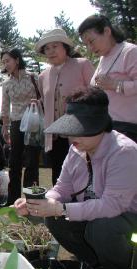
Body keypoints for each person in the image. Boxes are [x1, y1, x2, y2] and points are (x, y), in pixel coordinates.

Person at [14, 87, 137, 269]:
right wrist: (43, 203)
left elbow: (113, 206)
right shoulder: (77, 149)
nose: (72, 137)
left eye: (80, 130)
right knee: (55, 219)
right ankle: (95, 266)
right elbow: (63, 188)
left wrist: (61, 208)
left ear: (100, 126)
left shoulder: (124, 152)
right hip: (100, 219)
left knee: (101, 228)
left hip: (128, 222)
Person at [35, 29, 94, 186]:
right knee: (59, 174)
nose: (51, 51)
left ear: (65, 47)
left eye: (55, 46)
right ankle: (58, 208)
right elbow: (45, 100)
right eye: (47, 48)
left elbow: (97, 96)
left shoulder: (83, 65)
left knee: (84, 173)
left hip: (81, 132)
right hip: (54, 134)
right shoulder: (43, 76)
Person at [78, 14, 137, 142]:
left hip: (128, 128)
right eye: (86, 44)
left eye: (91, 41)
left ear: (107, 31)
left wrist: (115, 85)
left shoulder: (130, 52)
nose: (90, 48)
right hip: (104, 127)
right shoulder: (103, 58)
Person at [0, 48, 41, 205]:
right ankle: (13, 199)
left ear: (17, 60)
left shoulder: (33, 77)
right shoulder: (6, 83)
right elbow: (5, 106)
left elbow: (43, 97)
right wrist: (5, 126)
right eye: (3, 62)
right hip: (16, 123)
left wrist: (37, 103)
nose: (6, 64)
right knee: (14, 162)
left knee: (32, 161)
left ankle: (32, 199)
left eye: (8, 60)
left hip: (33, 122)